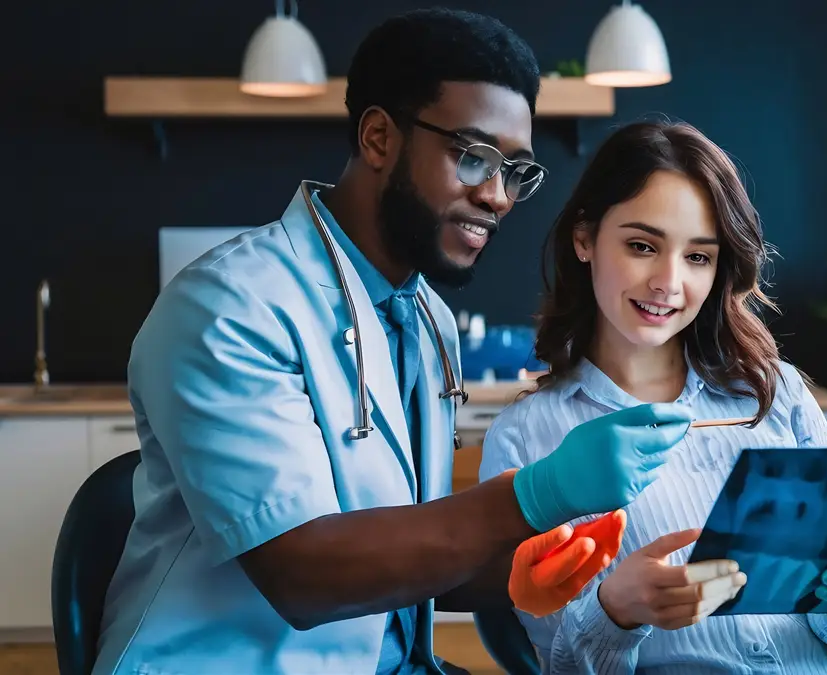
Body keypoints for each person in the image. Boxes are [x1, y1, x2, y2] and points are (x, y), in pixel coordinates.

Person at [92, 10, 691, 675]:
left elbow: (405, 548)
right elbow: (304, 572)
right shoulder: (229, 307)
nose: (496, 196)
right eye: (472, 156)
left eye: (514, 170)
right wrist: (534, 493)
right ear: (379, 137)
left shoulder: (425, 318)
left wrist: (526, 565)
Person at [479, 120, 827, 674]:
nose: (668, 282)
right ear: (584, 238)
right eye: (641, 246)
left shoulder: (778, 394)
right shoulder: (526, 438)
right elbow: (560, 663)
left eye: (698, 257)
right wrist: (617, 611)